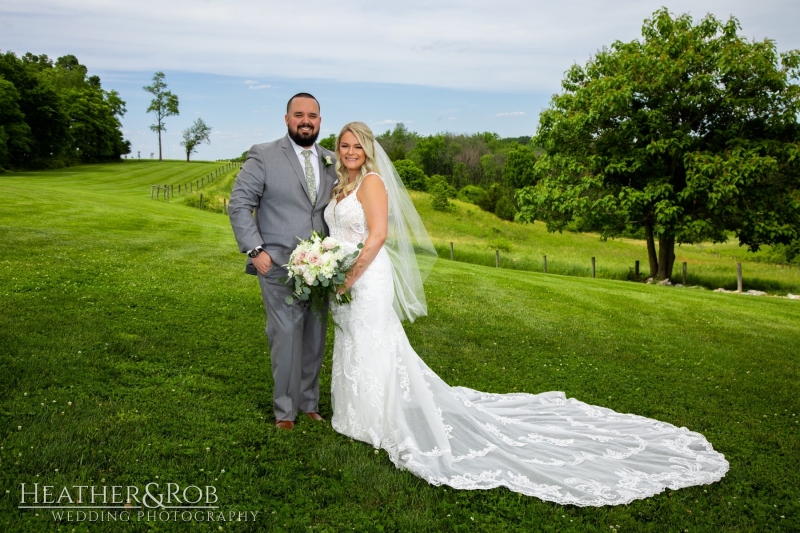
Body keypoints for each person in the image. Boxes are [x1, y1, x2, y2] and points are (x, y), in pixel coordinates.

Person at [323, 121, 729, 505]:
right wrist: (327, 268)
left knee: (376, 342)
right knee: (354, 342)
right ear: (339, 149)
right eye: (345, 145)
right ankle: (354, 415)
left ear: (370, 149)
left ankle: (379, 421)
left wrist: (349, 277)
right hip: (342, 279)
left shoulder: (372, 183)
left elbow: (377, 237)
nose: (352, 151)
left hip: (366, 278)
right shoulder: (343, 184)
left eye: (359, 145)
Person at [229, 93, 338, 430]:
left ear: (320, 121)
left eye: (313, 116)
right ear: (287, 118)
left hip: (321, 269)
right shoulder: (263, 155)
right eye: (299, 115)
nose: (306, 121)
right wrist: (254, 251)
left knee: (314, 336)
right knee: (285, 335)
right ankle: (284, 412)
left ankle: (309, 404)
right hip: (277, 265)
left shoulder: (331, 160)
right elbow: (238, 205)